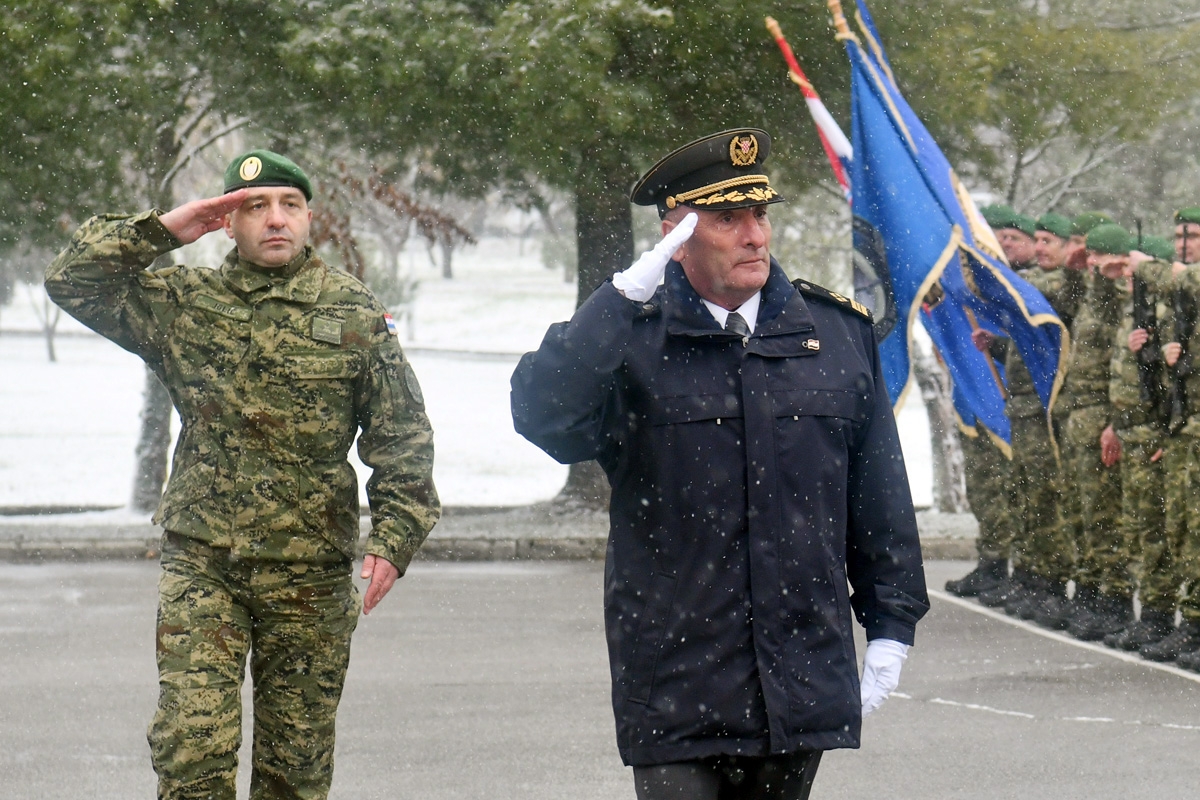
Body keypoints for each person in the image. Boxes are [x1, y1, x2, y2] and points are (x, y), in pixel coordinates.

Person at [510, 129, 929, 799]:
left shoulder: (835, 334)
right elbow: (544, 416)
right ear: (675, 235)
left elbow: (877, 493)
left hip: (799, 672)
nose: (755, 236)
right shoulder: (633, 339)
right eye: (727, 219)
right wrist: (618, 300)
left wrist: (892, 621)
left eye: (759, 214)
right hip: (677, 677)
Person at [45, 150, 441, 799]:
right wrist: (165, 230)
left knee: (295, 770)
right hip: (204, 564)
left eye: (290, 205)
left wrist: (394, 538)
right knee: (191, 751)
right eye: (255, 206)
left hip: (310, 574)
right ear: (227, 222)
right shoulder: (186, 304)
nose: (275, 219)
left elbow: (401, 434)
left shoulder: (352, 312)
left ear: (310, 218)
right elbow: (73, 280)